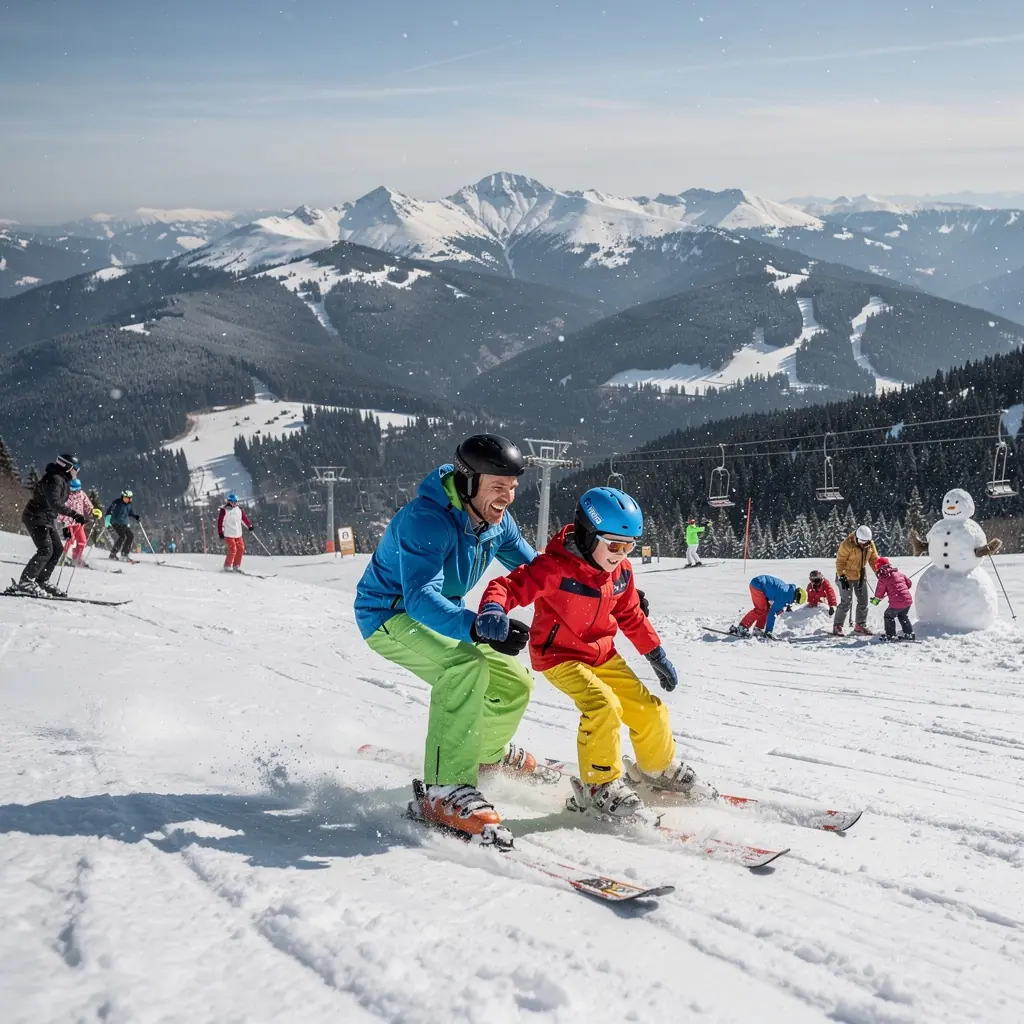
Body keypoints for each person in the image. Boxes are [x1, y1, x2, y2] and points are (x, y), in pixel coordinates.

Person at [479, 486, 708, 821]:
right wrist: (493, 610)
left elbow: (631, 615)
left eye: (628, 546)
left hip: (602, 653)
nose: (621, 554)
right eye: (614, 544)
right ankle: (598, 787)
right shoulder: (554, 568)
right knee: (602, 706)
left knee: (648, 708)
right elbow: (508, 586)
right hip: (559, 655)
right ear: (588, 536)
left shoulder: (620, 572)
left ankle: (656, 770)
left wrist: (655, 654)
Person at [354, 434, 538, 845]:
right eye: (497, 487)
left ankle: (485, 755)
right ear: (469, 482)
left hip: (440, 613)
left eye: (511, 488)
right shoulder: (427, 519)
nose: (506, 497)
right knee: (465, 665)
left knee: (515, 682)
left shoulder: (496, 521)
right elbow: (420, 599)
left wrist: (600, 590)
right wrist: (478, 626)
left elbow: (540, 573)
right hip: (390, 613)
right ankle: (444, 790)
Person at [9, 453, 88, 596]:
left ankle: (42, 581)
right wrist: (74, 515)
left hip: (46, 518)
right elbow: (55, 503)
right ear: (67, 467)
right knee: (46, 550)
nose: (77, 471)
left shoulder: (61, 479)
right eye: (75, 468)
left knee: (57, 549)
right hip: (35, 517)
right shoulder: (54, 479)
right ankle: (26, 582)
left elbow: (56, 505)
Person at [834, 524, 880, 636]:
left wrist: (879, 571)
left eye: (866, 541)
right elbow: (840, 562)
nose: (863, 543)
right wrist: (842, 577)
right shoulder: (847, 545)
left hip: (860, 576)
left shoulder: (870, 545)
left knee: (863, 601)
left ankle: (860, 624)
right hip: (845, 577)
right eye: (861, 540)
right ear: (856, 536)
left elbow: (874, 559)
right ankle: (837, 625)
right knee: (846, 601)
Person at [730, 574, 807, 638]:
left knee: (765, 609)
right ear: (797, 597)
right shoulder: (786, 596)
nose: (793, 603)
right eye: (796, 602)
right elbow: (772, 614)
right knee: (761, 609)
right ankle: (742, 627)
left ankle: (758, 629)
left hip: (758, 583)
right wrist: (768, 632)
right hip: (758, 585)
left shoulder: (788, 590)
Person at [871, 557, 915, 641]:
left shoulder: (883, 578)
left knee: (888, 615)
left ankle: (891, 636)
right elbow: (909, 584)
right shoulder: (899, 573)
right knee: (903, 615)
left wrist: (875, 601)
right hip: (907, 601)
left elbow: (879, 595)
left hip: (897, 603)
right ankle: (909, 634)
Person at [59, 478, 101, 565]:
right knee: (70, 540)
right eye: (72, 488)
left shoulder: (81, 494)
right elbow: (60, 508)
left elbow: (87, 504)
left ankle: (76, 559)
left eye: (76, 489)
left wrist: (93, 511)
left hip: (79, 523)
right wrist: (62, 520)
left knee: (82, 541)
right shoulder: (66, 495)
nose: (74, 491)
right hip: (67, 523)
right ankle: (62, 558)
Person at [217, 493, 253, 572]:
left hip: (238, 533)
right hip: (229, 534)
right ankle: (227, 565)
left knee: (241, 548)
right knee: (233, 549)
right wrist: (220, 532)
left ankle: (236, 565)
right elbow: (220, 522)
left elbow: (243, 519)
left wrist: (249, 526)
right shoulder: (224, 510)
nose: (233, 503)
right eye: (232, 501)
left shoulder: (239, 509)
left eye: (235, 501)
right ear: (228, 501)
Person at [105, 490, 141, 561]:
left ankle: (124, 554)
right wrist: (107, 522)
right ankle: (113, 554)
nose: (127, 499)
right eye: (126, 497)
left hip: (123, 523)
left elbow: (130, 512)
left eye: (129, 498)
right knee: (122, 536)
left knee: (130, 535)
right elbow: (109, 512)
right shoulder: (116, 503)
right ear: (122, 497)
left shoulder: (129, 504)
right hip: (115, 522)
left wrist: (135, 516)